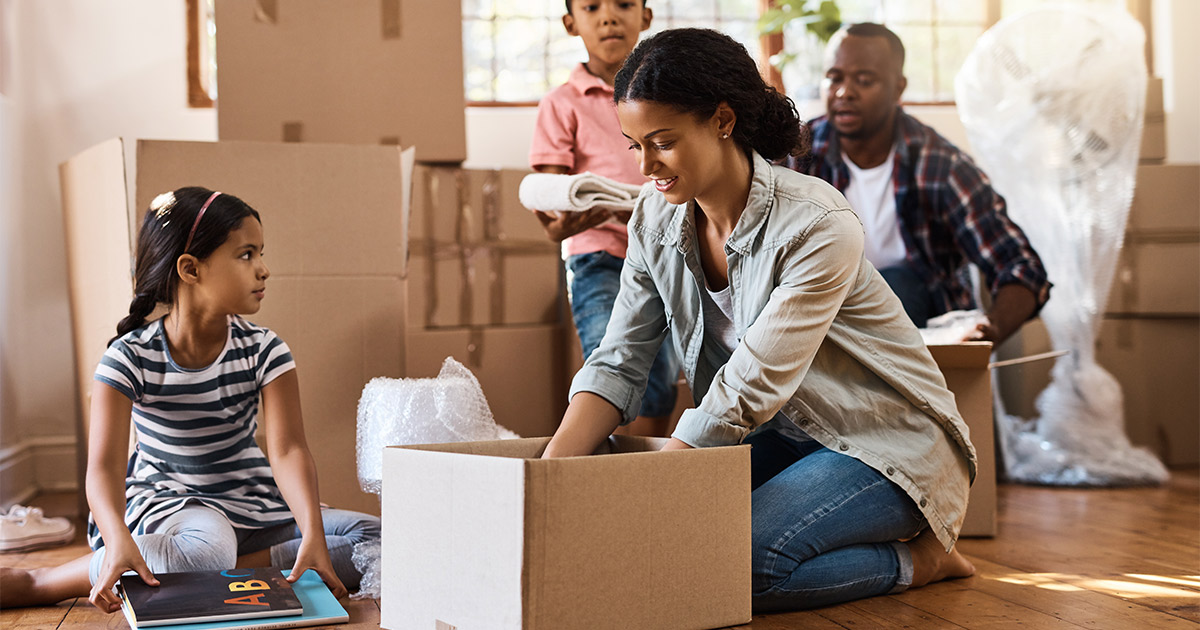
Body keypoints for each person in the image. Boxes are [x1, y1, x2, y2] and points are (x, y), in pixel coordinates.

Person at [541, 28, 977, 611]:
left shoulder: (818, 225)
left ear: (723, 120)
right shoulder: (653, 217)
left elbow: (751, 383)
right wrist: (545, 483)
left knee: (735, 564)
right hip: (783, 438)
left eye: (663, 142)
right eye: (634, 144)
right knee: (676, 549)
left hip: (883, 443)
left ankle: (920, 561)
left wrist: (651, 492)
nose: (646, 166)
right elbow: (620, 360)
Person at [0, 187, 380, 612]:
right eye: (246, 254)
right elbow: (102, 470)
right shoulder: (128, 357)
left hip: (252, 505)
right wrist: (118, 537)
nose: (264, 269)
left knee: (378, 540)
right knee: (204, 549)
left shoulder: (266, 349)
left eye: (261, 253)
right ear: (190, 268)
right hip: (171, 505)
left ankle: (216, 570)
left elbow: (288, 449)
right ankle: (42, 581)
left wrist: (310, 530)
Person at [788, 23, 1050, 342]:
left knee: (895, 284)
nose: (844, 92)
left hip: (921, 338)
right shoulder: (798, 156)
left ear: (898, 89)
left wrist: (990, 329)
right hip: (822, 329)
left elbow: (1021, 268)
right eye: (834, 78)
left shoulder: (942, 166)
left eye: (864, 80)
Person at [529, 0, 680, 437]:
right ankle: (610, 480)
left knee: (662, 378)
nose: (609, 17)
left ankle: (642, 476)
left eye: (624, 4)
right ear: (570, 23)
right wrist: (581, 212)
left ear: (646, 18)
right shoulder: (561, 103)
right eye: (592, 7)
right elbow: (553, 198)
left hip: (665, 251)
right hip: (600, 256)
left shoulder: (668, 96)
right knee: (612, 364)